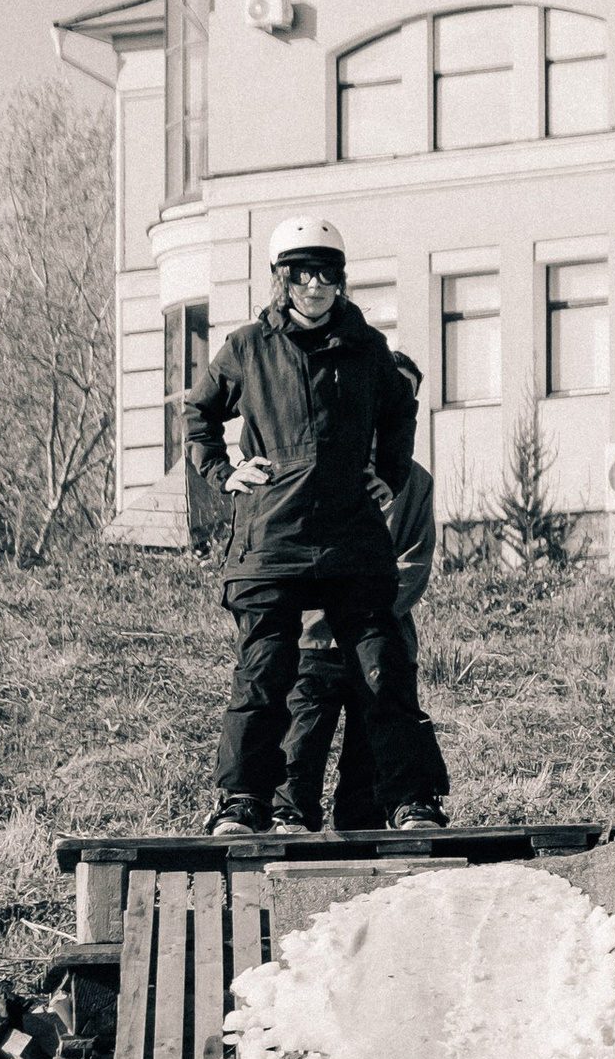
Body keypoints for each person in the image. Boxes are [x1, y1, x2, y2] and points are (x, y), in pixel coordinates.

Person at [183, 217, 450, 833]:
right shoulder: (247, 347)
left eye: (327, 273)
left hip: (352, 541)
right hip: (272, 539)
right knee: (266, 670)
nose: (315, 284)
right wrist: (222, 470)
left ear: (341, 280)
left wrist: (388, 471)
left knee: (384, 666)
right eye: (302, 273)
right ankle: (243, 802)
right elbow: (199, 411)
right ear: (282, 280)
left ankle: (410, 801)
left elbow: (399, 408)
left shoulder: (367, 347)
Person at [279, 386, 435, 833]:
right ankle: (288, 819)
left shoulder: (416, 481)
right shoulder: (319, 467)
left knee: (371, 751)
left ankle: (365, 834)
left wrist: (362, 612)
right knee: (300, 741)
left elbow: (413, 565)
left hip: (384, 642)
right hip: (316, 638)